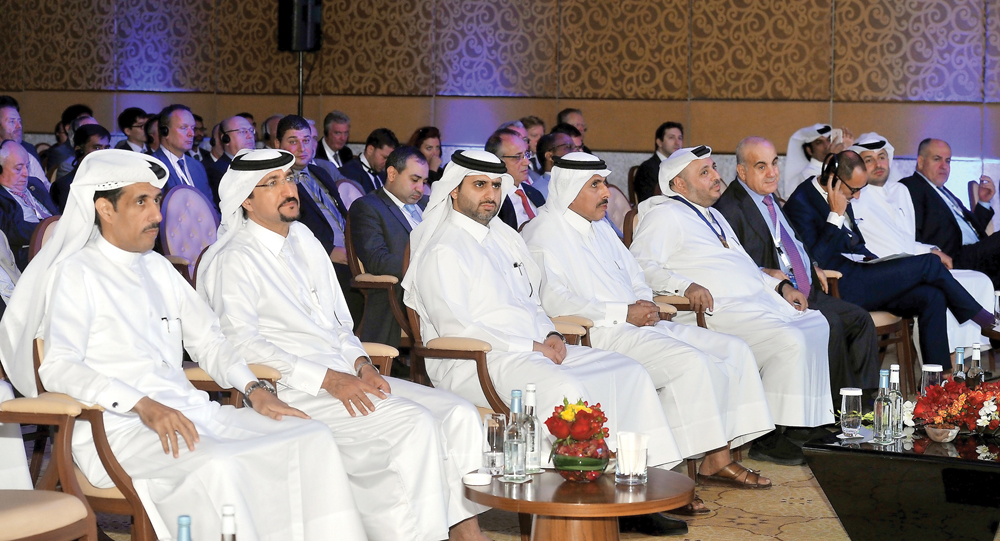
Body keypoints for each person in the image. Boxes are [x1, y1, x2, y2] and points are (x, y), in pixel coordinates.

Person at [0, 149, 366, 541]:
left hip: (189, 412)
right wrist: (143, 404)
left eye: (156, 201)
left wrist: (254, 389)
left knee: (310, 437)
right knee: (222, 464)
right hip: (119, 429)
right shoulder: (74, 274)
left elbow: (210, 340)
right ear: (105, 209)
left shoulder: (158, 268)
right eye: (142, 202)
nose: (157, 215)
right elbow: (59, 367)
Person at [199, 148, 488, 541]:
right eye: (274, 183)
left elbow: (337, 324)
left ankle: (463, 529)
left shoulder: (304, 240)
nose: (289, 189)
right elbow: (242, 344)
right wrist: (329, 379)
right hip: (293, 387)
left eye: (290, 179)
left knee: (458, 413)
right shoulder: (233, 258)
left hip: (345, 373)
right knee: (414, 423)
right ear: (246, 200)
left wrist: (362, 364)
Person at [402, 149, 688, 535]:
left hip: (530, 350)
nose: (490, 194)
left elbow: (532, 302)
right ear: (454, 191)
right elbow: (459, 327)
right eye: (479, 185)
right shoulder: (443, 248)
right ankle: (565, 507)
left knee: (626, 371)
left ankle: (634, 492)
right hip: (476, 361)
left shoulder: (504, 239)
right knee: (564, 387)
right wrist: (531, 346)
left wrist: (550, 333)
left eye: (496, 186)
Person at [522, 152, 774, 490]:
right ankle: (673, 474)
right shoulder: (544, 233)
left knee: (733, 349)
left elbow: (635, 272)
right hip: (599, 333)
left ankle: (717, 457)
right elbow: (556, 303)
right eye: (595, 185)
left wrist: (645, 301)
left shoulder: (600, 229)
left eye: (604, 184)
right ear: (569, 189)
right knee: (691, 364)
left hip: (637, 323)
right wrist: (624, 312)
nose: (606, 193)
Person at [630, 146, 835, 466]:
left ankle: (802, 422)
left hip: (753, 301)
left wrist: (779, 286)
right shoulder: (663, 214)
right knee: (788, 338)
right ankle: (768, 437)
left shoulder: (713, 215)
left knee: (815, 322)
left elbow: (745, 266)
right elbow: (641, 265)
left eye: (713, 168)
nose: (716, 176)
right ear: (679, 185)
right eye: (705, 172)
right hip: (714, 310)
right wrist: (686, 286)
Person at [782, 150, 997, 373]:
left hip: (862, 272)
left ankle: (938, 382)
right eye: (854, 190)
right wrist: (835, 215)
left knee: (932, 296)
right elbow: (816, 260)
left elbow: (853, 242)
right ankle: (985, 320)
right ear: (834, 179)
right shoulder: (802, 202)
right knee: (930, 264)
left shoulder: (840, 191)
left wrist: (876, 261)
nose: (856, 197)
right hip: (840, 286)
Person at [714, 136, 880, 410]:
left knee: (860, 320)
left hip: (807, 286)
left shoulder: (770, 200)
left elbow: (794, 242)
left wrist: (812, 264)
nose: (772, 172)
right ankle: (837, 411)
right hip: (777, 296)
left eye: (775, 163)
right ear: (742, 172)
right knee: (833, 324)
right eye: (761, 166)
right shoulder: (731, 208)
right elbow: (738, 265)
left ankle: (862, 407)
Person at [848, 133, 995, 353]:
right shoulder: (858, 197)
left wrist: (930, 250)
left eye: (882, 157)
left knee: (970, 282)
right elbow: (879, 247)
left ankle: (948, 369)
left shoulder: (896, 193)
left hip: (912, 264)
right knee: (937, 273)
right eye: (868, 160)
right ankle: (984, 321)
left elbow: (906, 239)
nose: (878, 164)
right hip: (882, 273)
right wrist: (932, 252)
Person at [276, 115, 363, 324]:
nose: (301, 148)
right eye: (293, 141)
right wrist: (328, 251)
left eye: (306, 140)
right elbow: (283, 228)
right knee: (358, 289)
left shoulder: (319, 172)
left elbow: (341, 214)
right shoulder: (276, 181)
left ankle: (381, 350)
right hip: (318, 257)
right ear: (278, 144)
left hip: (348, 249)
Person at [349, 146, 428, 347]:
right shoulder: (368, 207)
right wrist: (428, 267)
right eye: (415, 180)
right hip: (406, 292)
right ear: (392, 173)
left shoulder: (429, 205)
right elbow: (378, 260)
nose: (420, 188)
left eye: (424, 182)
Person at [900, 138, 1000, 288]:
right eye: (937, 159)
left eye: (947, 161)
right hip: (952, 257)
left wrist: (984, 202)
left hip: (975, 252)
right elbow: (911, 233)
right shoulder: (909, 187)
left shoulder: (945, 192)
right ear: (920, 162)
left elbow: (971, 230)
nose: (944, 166)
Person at [0, 140, 57, 269]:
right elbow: (12, 232)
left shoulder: (34, 184)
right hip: (31, 257)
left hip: (58, 245)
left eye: (27, 166)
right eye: (18, 168)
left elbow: (55, 214)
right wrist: (51, 230)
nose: (26, 173)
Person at [152, 104, 215, 208]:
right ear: (165, 131)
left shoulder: (197, 166)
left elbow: (211, 207)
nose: (192, 134)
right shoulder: (153, 166)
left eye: (192, 128)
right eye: (184, 128)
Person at [486, 128, 544, 230]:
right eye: (518, 157)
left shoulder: (535, 193)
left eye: (526, 155)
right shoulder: (492, 200)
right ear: (497, 161)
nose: (527, 162)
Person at [50, 124, 112, 212]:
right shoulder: (66, 185)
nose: (103, 153)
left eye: (106, 148)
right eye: (97, 148)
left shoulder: (114, 180)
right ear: (79, 151)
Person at [783, 124, 854, 199]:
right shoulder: (807, 175)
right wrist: (832, 158)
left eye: (829, 140)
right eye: (819, 142)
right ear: (809, 150)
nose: (827, 145)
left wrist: (850, 151)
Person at [205, 115, 257, 205]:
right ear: (226, 138)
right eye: (242, 131)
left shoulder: (261, 164)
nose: (250, 136)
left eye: (251, 131)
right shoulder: (216, 171)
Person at [634, 122, 684, 203]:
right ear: (659, 142)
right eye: (671, 138)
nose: (677, 143)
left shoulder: (683, 167)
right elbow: (647, 201)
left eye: (680, 138)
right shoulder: (647, 168)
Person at [0, 103, 47, 185]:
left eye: (19, 121)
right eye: (12, 121)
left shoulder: (28, 154)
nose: (19, 126)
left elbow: (45, 186)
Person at [340, 128, 396, 193]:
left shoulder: (383, 175)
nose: (386, 163)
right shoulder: (350, 172)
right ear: (370, 150)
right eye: (384, 157)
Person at [531, 132, 575, 199]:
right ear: (550, 156)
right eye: (568, 147)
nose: (576, 152)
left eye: (576, 148)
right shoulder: (538, 192)